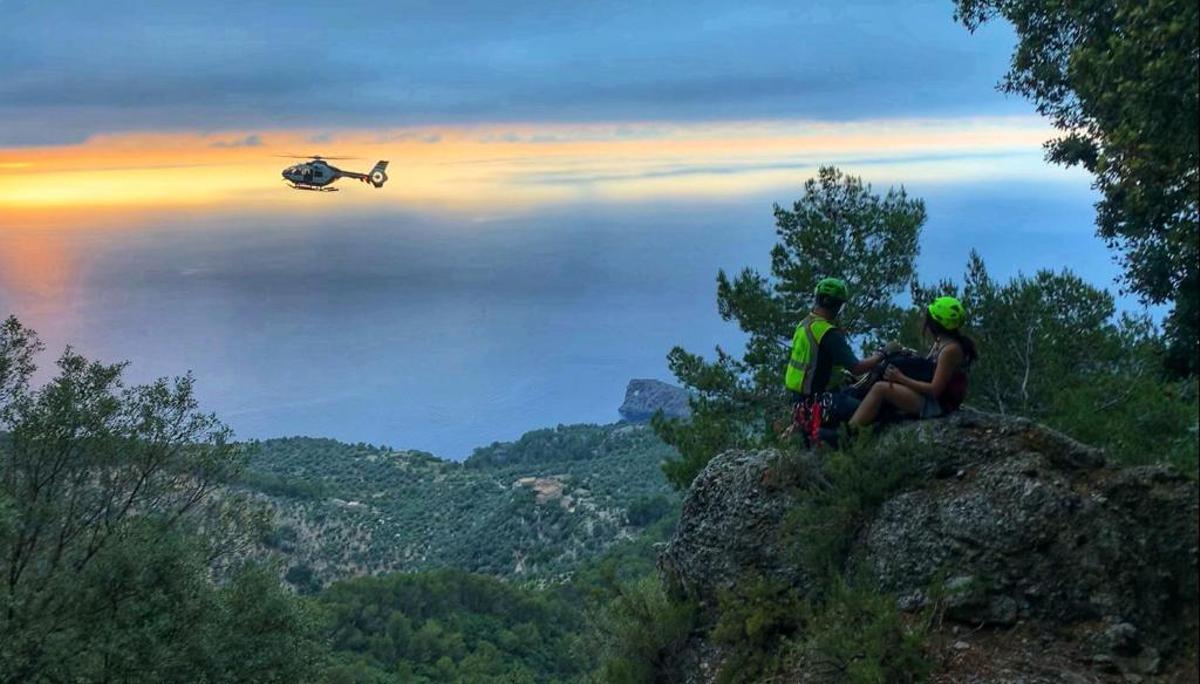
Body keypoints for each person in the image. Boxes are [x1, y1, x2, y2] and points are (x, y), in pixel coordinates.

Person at [848, 296, 977, 427]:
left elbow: (935, 389)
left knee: (880, 388)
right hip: (932, 399)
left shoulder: (950, 350)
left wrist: (900, 378)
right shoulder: (941, 343)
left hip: (937, 405)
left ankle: (850, 431)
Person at [784, 278, 885, 432]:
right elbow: (856, 368)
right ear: (838, 306)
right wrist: (882, 354)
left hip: (800, 405)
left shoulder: (804, 324)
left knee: (853, 394)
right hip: (820, 404)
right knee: (874, 410)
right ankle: (847, 439)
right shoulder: (828, 333)